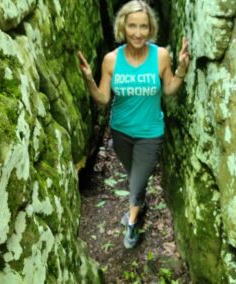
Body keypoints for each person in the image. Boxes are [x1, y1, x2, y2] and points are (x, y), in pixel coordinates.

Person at [78, 0, 189, 249]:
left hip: (150, 133)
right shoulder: (111, 60)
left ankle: (132, 224)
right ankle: (139, 204)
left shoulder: (160, 56)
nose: (138, 33)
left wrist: (181, 68)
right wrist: (88, 80)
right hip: (121, 133)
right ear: (123, 27)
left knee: (137, 182)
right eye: (132, 26)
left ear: (150, 29)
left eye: (143, 27)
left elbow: (170, 89)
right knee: (134, 177)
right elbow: (104, 99)